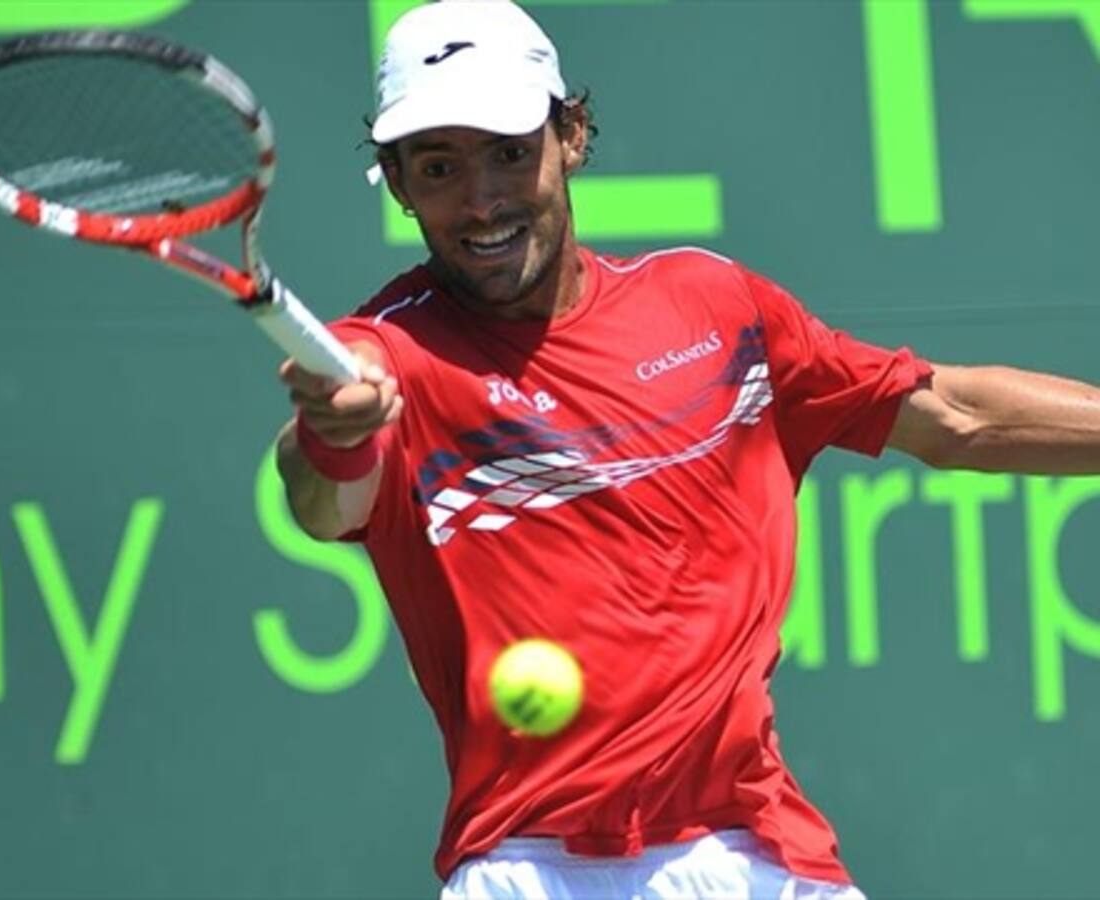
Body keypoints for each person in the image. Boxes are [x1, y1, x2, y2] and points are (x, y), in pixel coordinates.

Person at [275, 2, 1100, 897]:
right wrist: (333, 429)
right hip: (535, 867)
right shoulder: (393, 355)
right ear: (397, 182)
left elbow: (952, 415)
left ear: (571, 135)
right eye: (439, 167)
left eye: (510, 153)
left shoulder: (715, 308)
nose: (481, 202)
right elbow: (323, 502)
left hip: (764, 854)